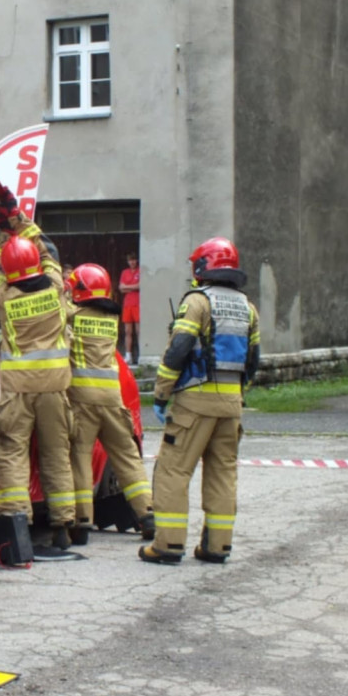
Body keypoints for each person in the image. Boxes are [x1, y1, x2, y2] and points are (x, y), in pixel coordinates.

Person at [139, 237, 260, 565]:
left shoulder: (197, 301)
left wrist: (162, 392)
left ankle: (168, 545)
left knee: (173, 471)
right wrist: (236, 392)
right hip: (231, 405)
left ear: (203, 267)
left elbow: (178, 349)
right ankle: (217, 546)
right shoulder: (248, 308)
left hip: (193, 405)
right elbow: (253, 360)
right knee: (222, 473)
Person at [0, 192, 77, 557]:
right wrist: (22, 224)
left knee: (11, 452)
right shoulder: (56, 290)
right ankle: (64, 526)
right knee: (57, 453)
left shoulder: (4, 297)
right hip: (56, 388)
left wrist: (1, 240)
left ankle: (16, 525)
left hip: (18, 389)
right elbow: (50, 254)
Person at [64, 263, 154, 545]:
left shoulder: (74, 316)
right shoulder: (110, 320)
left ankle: (81, 522)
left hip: (84, 400)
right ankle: (147, 514)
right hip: (113, 400)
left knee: (80, 457)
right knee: (127, 456)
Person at [119, 251, 140, 365]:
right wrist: (133, 287)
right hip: (127, 304)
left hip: (137, 303)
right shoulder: (124, 272)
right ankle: (128, 355)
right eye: (130, 260)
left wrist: (128, 287)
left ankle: (141, 354)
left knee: (138, 331)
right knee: (128, 331)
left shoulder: (140, 271)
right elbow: (121, 288)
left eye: (133, 260)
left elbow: (140, 285)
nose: (132, 262)